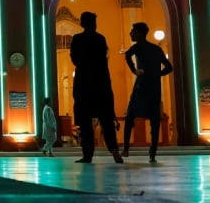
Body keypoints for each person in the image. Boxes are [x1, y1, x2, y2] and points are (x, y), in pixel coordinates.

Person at [69, 11, 123, 164]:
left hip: (84, 84)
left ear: (82, 23)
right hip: (101, 83)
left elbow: (74, 59)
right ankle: (114, 152)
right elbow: (104, 60)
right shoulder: (100, 39)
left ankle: (88, 156)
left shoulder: (77, 39)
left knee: (86, 124)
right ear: (94, 23)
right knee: (106, 120)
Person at [121, 21, 174, 163]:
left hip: (141, 86)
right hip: (154, 88)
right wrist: (157, 74)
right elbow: (169, 67)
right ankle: (152, 154)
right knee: (154, 121)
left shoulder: (137, 47)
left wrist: (135, 71)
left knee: (130, 116)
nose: (130, 33)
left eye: (133, 31)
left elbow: (127, 55)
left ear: (139, 33)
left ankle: (125, 149)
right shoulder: (156, 49)